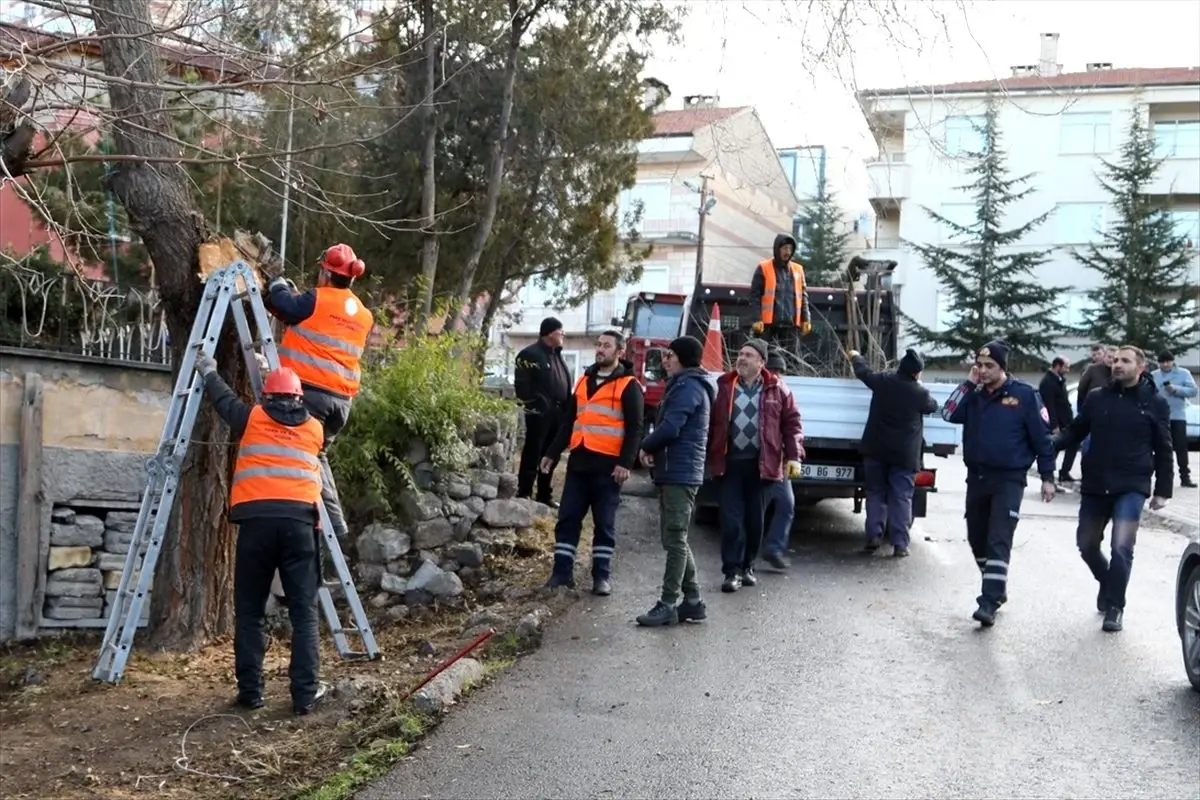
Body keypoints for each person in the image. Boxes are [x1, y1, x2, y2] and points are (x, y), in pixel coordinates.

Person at [195, 358, 326, 715]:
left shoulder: (252, 418)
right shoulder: (315, 429)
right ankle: (304, 696)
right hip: (300, 525)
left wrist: (208, 370)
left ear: (265, 396)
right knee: (304, 613)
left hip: (257, 526)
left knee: (250, 612)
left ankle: (251, 693)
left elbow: (224, 401)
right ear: (299, 398)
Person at [1054, 346, 1173, 633]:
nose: (1118, 365)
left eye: (1125, 361)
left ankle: (1115, 606)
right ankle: (1108, 583)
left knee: (1122, 547)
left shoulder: (1154, 403)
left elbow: (1164, 447)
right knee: (1086, 544)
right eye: (1116, 360)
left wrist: (1163, 490)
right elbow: (1075, 431)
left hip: (1132, 485)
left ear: (1140, 367)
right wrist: (1046, 445)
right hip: (1096, 484)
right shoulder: (1098, 398)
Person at [940, 339, 1057, 627]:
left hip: (1009, 480)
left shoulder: (1025, 396)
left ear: (1003, 368)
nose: (983, 371)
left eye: (989, 366)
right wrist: (967, 385)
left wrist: (1047, 477)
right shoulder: (974, 395)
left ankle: (988, 601)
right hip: (977, 478)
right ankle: (997, 585)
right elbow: (948, 413)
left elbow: (1042, 439)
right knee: (976, 538)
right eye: (979, 365)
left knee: (998, 540)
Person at [266, 243, 374, 542]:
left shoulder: (317, 299)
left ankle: (327, 529)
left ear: (327, 273)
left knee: (301, 458)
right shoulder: (364, 315)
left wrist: (277, 284)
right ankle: (331, 528)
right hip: (341, 403)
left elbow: (288, 308)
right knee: (317, 456)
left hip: (311, 395)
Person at [540, 331, 644, 595]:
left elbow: (635, 428)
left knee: (604, 523)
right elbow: (569, 422)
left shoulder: (628, 385)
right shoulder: (583, 381)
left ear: (619, 352)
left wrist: (625, 463)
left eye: (606, 346)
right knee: (568, 519)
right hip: (579, 464)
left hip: (608, 468)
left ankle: (601, 577)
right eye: (598, 345)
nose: (600, 349)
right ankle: (562, 573)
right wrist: (551, 453)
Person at [707, 338, 804, 592]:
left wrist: (794, 456)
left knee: (754, 521)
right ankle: (732, 572)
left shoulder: (778, 389)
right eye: (740, 353)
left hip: (763, 467)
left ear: (761, 362)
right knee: (731, 520)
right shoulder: (725, 386)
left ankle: (748, 565)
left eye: (749, 355)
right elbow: (711, 425)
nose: (742, 358)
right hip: (730, 465)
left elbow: (792, 424)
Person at [634, 336, 715, 627]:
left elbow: (671, 427)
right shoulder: (683, 385)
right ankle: (692, 602)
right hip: (675, 470)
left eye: (670, 355)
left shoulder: (689, 387)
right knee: (674, 538)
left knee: (676, 539)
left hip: (681, 472)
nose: (665, 359)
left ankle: (668, 603)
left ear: (682, 358)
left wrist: (646, 446)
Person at [849, 347, 937, 557]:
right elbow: (932, 406)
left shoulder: (883, 381)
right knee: (901, 498)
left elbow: (863, 372)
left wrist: (855, 357)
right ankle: (900, 544)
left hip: (876, 450)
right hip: (904, 456)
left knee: (875, 493)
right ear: (916, 373)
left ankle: (873, 537)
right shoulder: (920, 393)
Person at [514, 317, 572, 507]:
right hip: (540, 414)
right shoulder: (529, 354)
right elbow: (522, 386)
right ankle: (525, 492)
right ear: (549, 333)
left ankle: (544, 494)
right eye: (560, 331)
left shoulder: (557, 354)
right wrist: (537, 404)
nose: (563, 334)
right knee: (534, 452)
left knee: (551, 453)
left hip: (559, 414)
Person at [749, 233, 812, 370]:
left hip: (791, 326)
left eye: (790, 249)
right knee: (764, 360)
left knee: (792, 362)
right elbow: (754, 296)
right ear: (777, 249)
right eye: (784, 248)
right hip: (767, 326)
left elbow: (803, 295)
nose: (787, 252)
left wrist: (805, 318)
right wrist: (756, 318)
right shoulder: (763, 267)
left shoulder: (798, 270)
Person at [1151, 351, 1197, 488]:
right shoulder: (1154, 375)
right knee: (1159, 447)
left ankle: (1185, 477)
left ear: (1172, 361)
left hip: (1177, 416)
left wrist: (1175, 389)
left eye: (1168, 362)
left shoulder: (1184, 373)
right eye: (1162, 362)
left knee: (1181, 447)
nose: (1165, 365)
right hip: (1158, 417)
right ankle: (1162, 477)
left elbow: (1193, 391)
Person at [1038, 356, 1076, 484]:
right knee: (1053, 450)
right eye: (1066, 367)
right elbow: (1049, 406)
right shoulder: (1048, 382)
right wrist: (1054, 426)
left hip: (1066, 421)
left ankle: (1063, 473)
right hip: (1057, 423)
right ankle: (1049, 478)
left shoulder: (1059, 380)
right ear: (1057, 366)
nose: (1068, 370)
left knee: (1072, 445)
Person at [1076, 344, 1115, 412]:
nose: (1097, 357)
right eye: (1109, 357)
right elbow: (1081, 389)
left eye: (1099, 354)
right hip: (1094, 409)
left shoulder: (1119, 371)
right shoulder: (1091, 369)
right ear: (1105, 356)